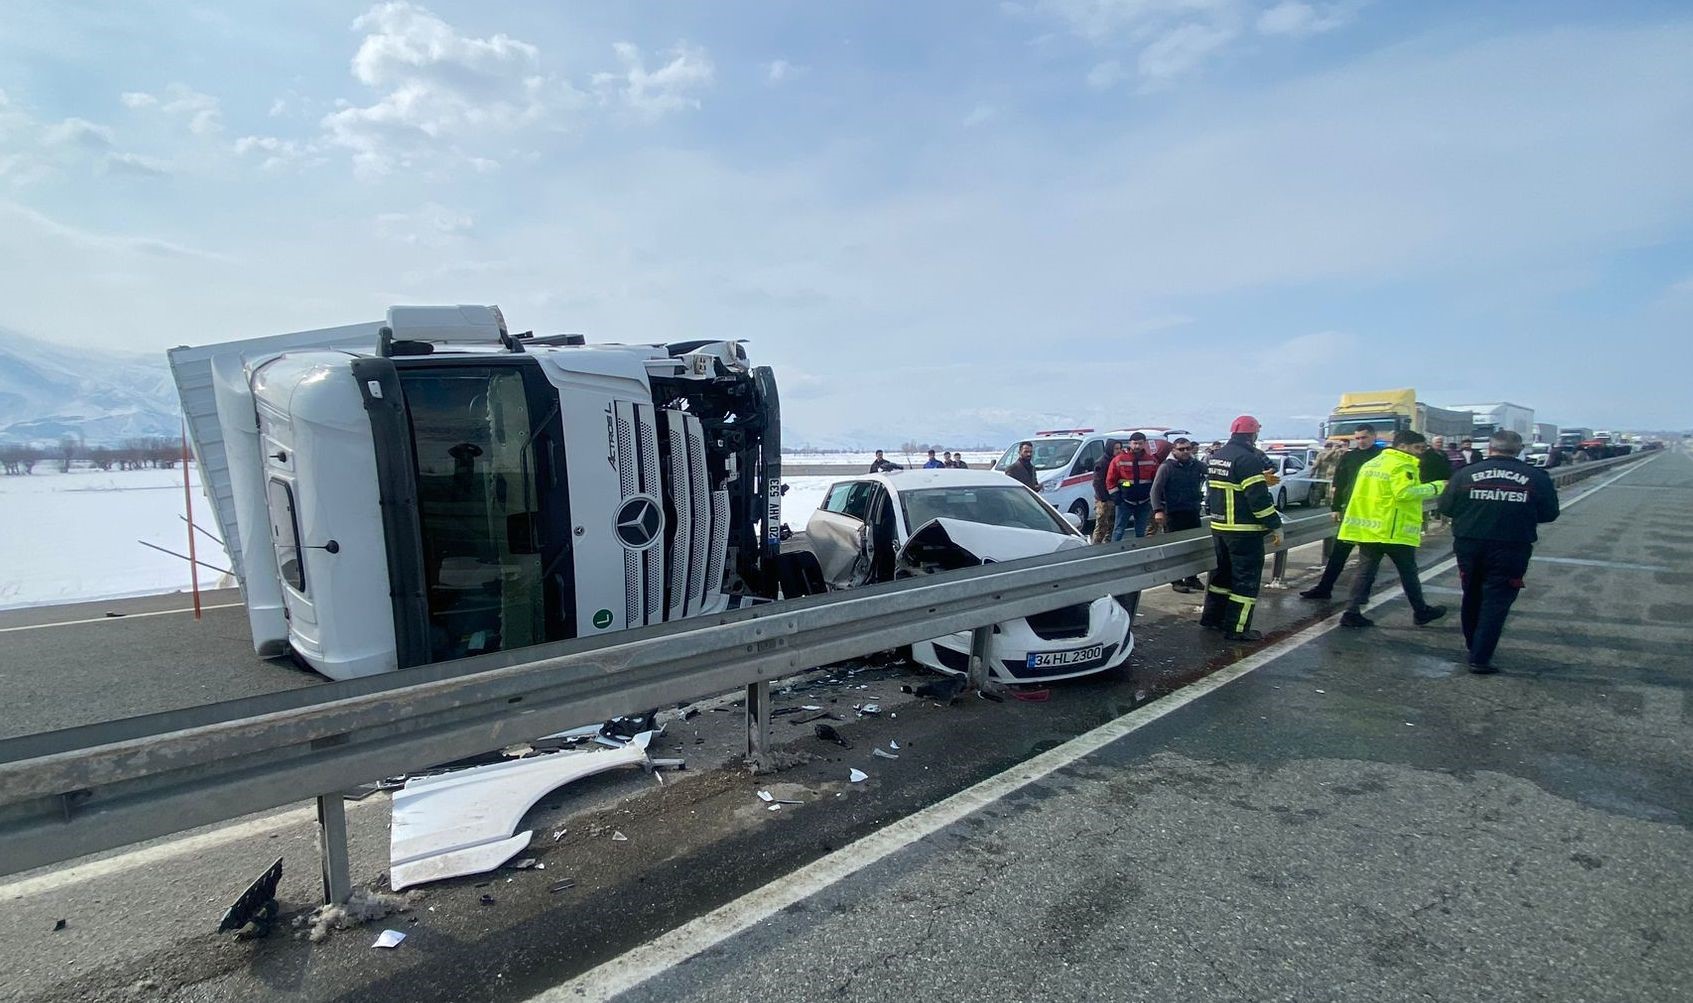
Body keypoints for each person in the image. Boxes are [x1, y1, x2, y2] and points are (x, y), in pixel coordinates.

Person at [1438, 430, 1559, 673]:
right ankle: (1480, 657)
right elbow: (1549, 513)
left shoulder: (1465, 474)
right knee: (1497, 599)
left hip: (1469, 543)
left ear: (1490, 448)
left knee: (1471, 593)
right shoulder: (1536, 477)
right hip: (1511, 545)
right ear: (1519, 449)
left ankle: (1474, 645)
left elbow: (1446, 507)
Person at [1335, 430, 1447, 628]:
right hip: (1393, 528)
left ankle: (1351, 612)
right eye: (1417, 448)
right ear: (1403, 447)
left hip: (1370, 527)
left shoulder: (1372, 464)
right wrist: (1437, 487)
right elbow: (1404, 493)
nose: (1420, 453)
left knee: (1365, 571)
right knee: (1408, 572)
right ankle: (1421, 611)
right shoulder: (1403, 464)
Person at [1201, 416, 1282, 641]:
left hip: (1219, 528)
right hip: (1244, 531)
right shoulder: (1248, 459)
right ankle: (1237, 628)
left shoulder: (1218, 456)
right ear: (1253, 434)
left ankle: (1212, 619)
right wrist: (1275, 524)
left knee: (1222, 577)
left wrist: (1259, 478)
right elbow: (1257, 499)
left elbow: (1232, 486)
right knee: (1245, 581)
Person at [1299, 425, 1382, 600]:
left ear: (1373, 437)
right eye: (1358, 438)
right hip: (1351, 512)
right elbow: (1339, 482)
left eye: (1364, 437)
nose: (1361, 441)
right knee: (1339, 554)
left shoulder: (1381, 456)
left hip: (1375, 513)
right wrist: (1335, 507)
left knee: (1369, 558)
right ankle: (1324, 588)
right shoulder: (1350, 456)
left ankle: (1362, 594)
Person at [1151, 437, 1206, 591]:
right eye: (1181, 449)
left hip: (1192, 510)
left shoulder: (1196, 465)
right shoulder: (1167, 467)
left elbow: (1212, 472)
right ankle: (1176, 581)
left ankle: (1192, 578)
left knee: (1194, 548)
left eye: (1188, 448)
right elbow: (1155, 490)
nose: (1185, 452)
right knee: (1175, 549)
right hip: (1173, 513)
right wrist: (1158, 510)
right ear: (1173, 450)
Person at [1107, 432, 1160, 541]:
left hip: (1144, 502)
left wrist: (1154, 499)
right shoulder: (1119, 460)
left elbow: (1157, 481)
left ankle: (1139, 553)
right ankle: (1114, 554)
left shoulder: (1151, 460)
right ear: (1130, 443)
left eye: (1140, 444)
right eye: (1135, 443)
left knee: (1140, 532)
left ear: (1144, 444)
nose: (1137, 446)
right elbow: (1110, 480)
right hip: (1124, 502)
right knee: (1118, 531)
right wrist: (1116, 496)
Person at [1089, 439, 1121, 544]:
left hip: (1113, 498)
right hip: (1104, 500)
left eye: (1120, 448)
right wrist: (1104, 499)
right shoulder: (1102, 462)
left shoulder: (1116, 461)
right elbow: (1097, 483)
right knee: (1102, 526)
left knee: (1111, 526)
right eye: (1116, 448)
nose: (1118, 451)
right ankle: (1095, 548)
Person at [1310, 440, 1345, 508]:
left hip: (1322, 474)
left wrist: (1312, 472)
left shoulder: (1321, 453)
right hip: (1332, 474)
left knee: (1318, 490)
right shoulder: (1337, 452)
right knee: (1330, 490)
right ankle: (1329, 503)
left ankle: (1315, 503)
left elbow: (1316, 464)